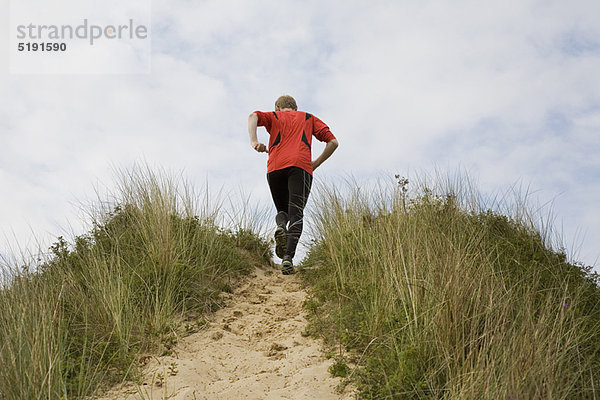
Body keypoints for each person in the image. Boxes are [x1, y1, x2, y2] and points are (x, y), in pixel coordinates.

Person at [248, 95, 338, 274]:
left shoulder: (273, 117)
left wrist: (254, 142)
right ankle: (288, 258)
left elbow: (253, 116)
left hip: (275, 168)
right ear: (295, 108)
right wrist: (315, 163)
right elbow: (333, 142)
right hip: (300, 167)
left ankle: (281, 226)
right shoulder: (308, 118)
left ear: (277, 107)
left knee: (282, 210)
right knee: (296, 214)